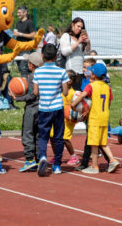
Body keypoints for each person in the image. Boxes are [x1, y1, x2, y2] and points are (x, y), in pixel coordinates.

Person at [71, 63, 120, 174]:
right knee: (103, 142)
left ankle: (94, 166)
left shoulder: (91, 86)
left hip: (95, 117)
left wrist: (73, 105)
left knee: (93, 143)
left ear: (93, 75)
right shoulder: (107, 87)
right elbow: (109, 102)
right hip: (104, 116)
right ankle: (112, 159)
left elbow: (83, 95)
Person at [33, 44, 69, 176]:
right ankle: (57, 165)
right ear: (56, 56)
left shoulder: (38, 72)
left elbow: (36, 92)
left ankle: (42, 156)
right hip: (58, 108)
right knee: (59, 137)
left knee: (43, 136)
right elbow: (65, 92)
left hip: (43, 108)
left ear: (42, 56)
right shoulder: (62, 72)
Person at [10, 52, 43, 172]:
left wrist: (17, 98)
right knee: (38, 135)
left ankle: (30, 160)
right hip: (42, 108)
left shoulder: (33, 77)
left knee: (28, 133)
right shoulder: (43, 76)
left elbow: (32, 95)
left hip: (32, 108)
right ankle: (39, 158)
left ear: (31, 65)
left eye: (28, 62)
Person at [59, 17, 91, 90]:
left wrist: (88, 42)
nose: (79, 29)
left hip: (81, 71)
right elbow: (64, 52)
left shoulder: (80, 37)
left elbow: (86, 52)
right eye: (78, 26)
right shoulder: (66, 36)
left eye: (81, 27)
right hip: (71, 71)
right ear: (72, 24)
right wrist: (78, 42)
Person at [14, 6, 36, 78]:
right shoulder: (18, 23)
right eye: (17, 12)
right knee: (20, 70)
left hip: (26, 49)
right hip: (18, 49)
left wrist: (20, 34)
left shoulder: (29, 23)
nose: (18, 14)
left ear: (25, 13)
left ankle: (26, 88)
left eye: (19, 12)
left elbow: (33, 35)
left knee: (24, 70)